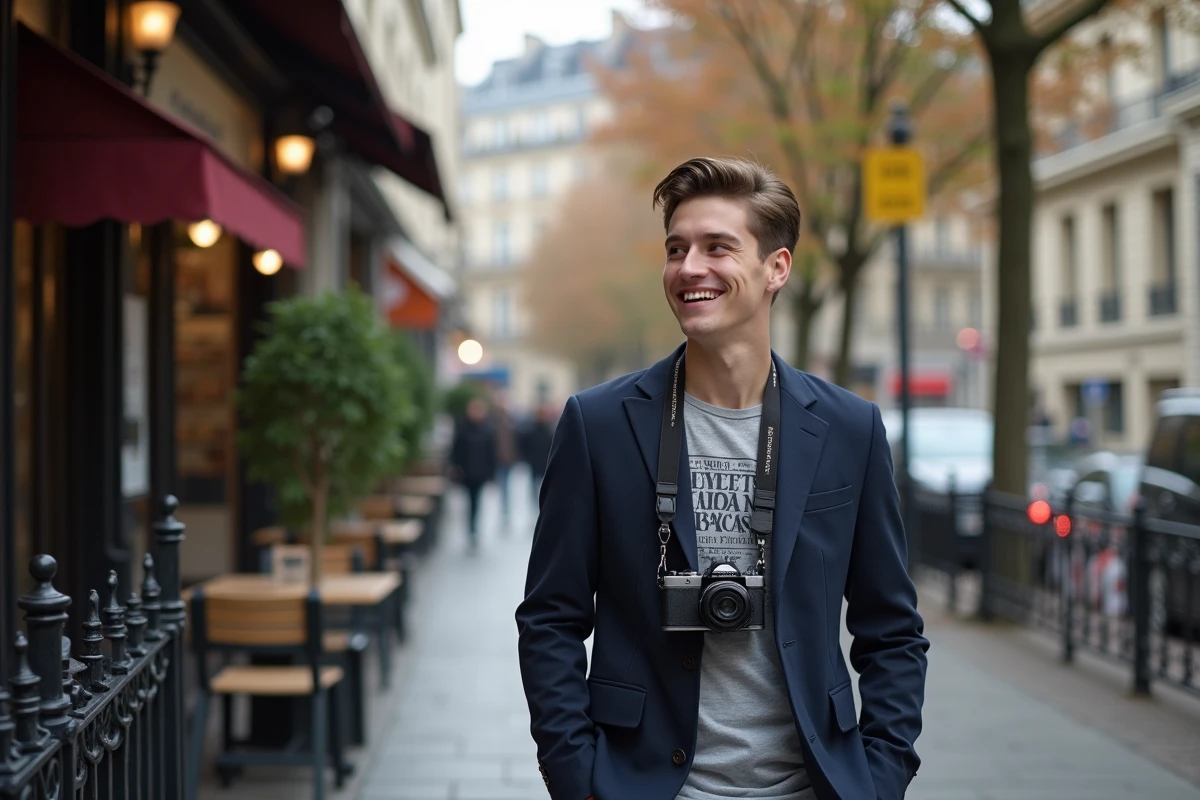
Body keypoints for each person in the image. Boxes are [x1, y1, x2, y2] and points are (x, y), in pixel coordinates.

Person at [516, 157, 928, 800]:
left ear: (777, 268)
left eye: (718, 247)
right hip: (644, 785)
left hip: (815, 784)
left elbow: (893, 629)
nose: (688, 268)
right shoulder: (596, 425)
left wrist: (880, 778)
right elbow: (550, 618)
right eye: (676, 249)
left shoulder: (851, 428)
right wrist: (577, 778)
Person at [449, 396, 497, 548]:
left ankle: (474, 529)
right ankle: (471, 529)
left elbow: (491, 453)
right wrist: (456, 467)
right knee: (470, 501)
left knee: (477, 501)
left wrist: (491, 473)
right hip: (467, 472)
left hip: (481, 473)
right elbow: (456, 450)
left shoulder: (488, 429)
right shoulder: (462, 428)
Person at [519, 402, 557, 506]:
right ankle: (536, 503)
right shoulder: (532, 429)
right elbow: (525, 445)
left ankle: (541, 503)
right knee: (534, 484)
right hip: (536, 461)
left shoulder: (549, 430)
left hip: (544, 461)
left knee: (543, 484)